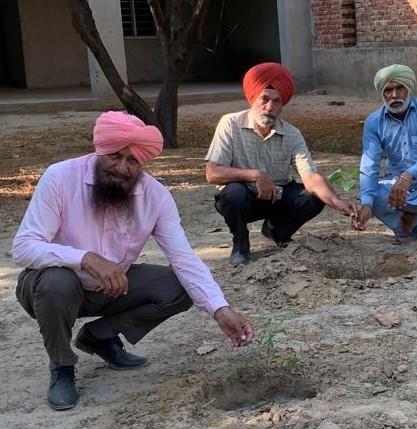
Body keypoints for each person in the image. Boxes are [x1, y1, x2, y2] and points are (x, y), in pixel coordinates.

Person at [12, 111, 254, 411]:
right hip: (49, 289)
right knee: (57, 281)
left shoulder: (155, 197)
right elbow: (23, 248)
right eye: (114, 156)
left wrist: (221, 310)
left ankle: (100, 336)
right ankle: (61, 367)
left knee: (179, 286)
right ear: (100, 149)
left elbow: (184, 259)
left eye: (133, 161)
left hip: (111, 289)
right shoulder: (60, 177)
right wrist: (84, 258)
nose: (122, 168)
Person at [206, 62, 355, 266]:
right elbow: (212, 173)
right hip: (243, 198)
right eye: (264, 99)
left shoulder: (292, 134)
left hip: (277, 197)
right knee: (233, 194)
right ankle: (240, 242)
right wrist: (256, 175)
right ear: (252, 98)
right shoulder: (230, 124)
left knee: (313, 197)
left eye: (277, 101)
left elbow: (310, 176)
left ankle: (277, 231)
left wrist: (337, 201)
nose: (270, 107)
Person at [352, 64, 417, 265]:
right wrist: (366, 204)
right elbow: (369, 164)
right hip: (397, 187)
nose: (394, 95)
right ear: (382, 94)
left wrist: (409, 175)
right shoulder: (374, 122)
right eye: (388, 90)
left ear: (408, 88)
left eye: (399, 88)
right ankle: (407, 219)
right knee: (372, 194)